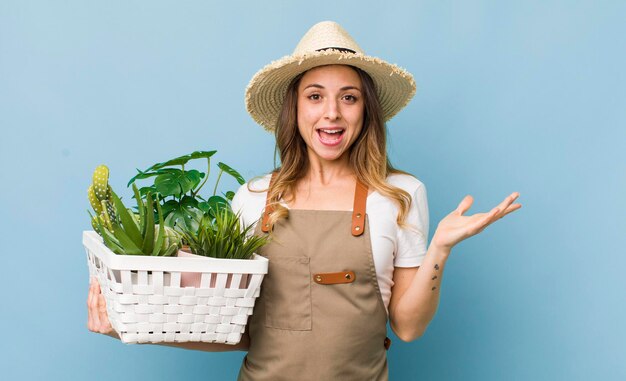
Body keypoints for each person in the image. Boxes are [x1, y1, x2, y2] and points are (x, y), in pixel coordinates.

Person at [87, 21, 521, 380]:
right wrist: (128, 323)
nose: (331, 112)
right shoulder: (255, 198)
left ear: (365, 111)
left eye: (348, 98)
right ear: (294, 110)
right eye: (315, 96)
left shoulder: (400, 194)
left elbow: (407, 327)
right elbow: (232, 332)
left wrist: (439, 250)